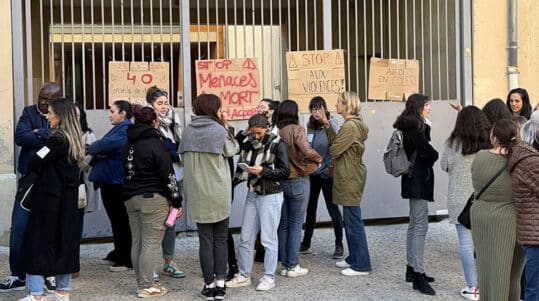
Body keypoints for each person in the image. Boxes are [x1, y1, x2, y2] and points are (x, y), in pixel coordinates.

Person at [19, 98, 85, 301]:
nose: (47, 117)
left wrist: (38, 137)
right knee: (64, 243)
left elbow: (35, 161)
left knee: (36, 244)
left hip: (48, 200)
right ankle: (62, 291)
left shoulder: (56, 140)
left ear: (60, 115)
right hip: (68, 201)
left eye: (50, 113)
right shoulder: (75, 140)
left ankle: (37, 294)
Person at [0, 82, 61, 294]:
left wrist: (36, 133)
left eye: (48, 100)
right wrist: (46, 134)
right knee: (19, 227)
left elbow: (63, 139)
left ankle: (49, 273)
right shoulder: (28, 112)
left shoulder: (64, 114)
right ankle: (18, 274)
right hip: (28, 178)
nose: (43, 102)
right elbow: (20, 137)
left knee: (50, 228)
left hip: (52, 180)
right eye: (41, 97)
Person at [179, 94, 239, 300]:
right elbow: (234, 149)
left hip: (197, 193)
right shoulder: (218, 130)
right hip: (219, 191)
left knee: (205, 240)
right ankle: (221, 284)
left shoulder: (187, 132)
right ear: (214, 109)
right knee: (221, 238)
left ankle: (208, 284)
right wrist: (225, 125)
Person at [122, 106, 183, 298]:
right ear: (155, 122)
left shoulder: (128, 144)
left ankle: (141, 282)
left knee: (137, 242)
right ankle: (146, 286)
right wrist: (176, 201)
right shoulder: (155, 144)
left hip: (131, 198)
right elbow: (168, 175)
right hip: (153, 198)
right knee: (150, 243)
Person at [226, 113, 290, 291]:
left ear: (267, 128)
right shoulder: (248, 142)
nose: (256, 136)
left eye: (259, 133)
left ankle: (269, 276)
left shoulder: (278, 143)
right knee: (246, 237)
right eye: (253, 133)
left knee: (269, 238)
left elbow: (285, 172)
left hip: (271, 193)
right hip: (253, 192)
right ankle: (244, 274)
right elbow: (234, 148)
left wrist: (263, 171)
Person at [470, 118, 525, 300]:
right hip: (509, 217)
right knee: (511, 274)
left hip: (481, 216)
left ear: (494, 137)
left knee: (486, 270)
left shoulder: (480, 157)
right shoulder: (519, 160)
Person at [318, 91, 371, 276]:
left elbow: (334, 149)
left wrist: (333, 143)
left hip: (350, 176)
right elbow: (338, 143)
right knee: (350, 219)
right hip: (350, 174)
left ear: (346, 105)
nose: (336, 105)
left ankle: (362, 265)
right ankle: (354, 257)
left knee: (353, 220)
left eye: (338, 102)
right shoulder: (352, 125)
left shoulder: (350, 127)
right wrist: (327, 125)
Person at [440, 106, 491, 300]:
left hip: (460, 202)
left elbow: (444, 165)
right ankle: (488, 284)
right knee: (485, 245)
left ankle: (472, 287)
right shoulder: (488, 143)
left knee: (466, 243)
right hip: (483, 199)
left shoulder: (453, 144)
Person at [393, 93, 438, 295]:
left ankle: (411, 268)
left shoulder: (410, 125)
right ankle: (418, 275)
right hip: (417, 181)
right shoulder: (415, 127)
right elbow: (428, 152)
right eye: (427, 105)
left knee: (414, 224)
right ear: (419, 107)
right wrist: (434, 154)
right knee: (420, 225)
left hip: (413, 180)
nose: (429, 108)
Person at [275, 100, 322, 278]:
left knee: (284, 224)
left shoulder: (277, 131)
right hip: (298, 179)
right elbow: (307, 150)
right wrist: (318, 159)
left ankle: (284, 264)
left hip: (281, 180)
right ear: (294, 113)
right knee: (295, 224)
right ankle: (292, 265)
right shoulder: (297, 130)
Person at [87, 100, 133, 271]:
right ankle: (119, 251)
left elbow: (106, 145)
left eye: (113, 111)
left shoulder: (125, 129)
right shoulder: (119, 128)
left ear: (123, 114)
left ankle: (126, 258)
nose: (109, 114)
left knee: (121, 220)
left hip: (116, 182)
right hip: (110, 181)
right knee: (116, 220)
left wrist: (94, 148)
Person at [146, 86, 185, 280]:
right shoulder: (150, 124)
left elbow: (180, 145)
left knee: (171, 221)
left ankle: (169, 261)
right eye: (159, 103)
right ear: (150, 104)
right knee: (155, 222)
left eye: (165, 103)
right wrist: (175, 154)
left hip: (177, 177)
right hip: (159, 179)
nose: (163, 107)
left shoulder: (173, 122)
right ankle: (150, 265)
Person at [300, 96, 344, 259]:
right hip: (312, 174)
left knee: (333, 209)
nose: (316, 112)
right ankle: (306, 242)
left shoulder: (331, 123)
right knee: (310, 208)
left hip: (327, 174)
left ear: (325, 109)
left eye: (319, 108)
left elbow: (338, 144)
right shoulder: (310, 126)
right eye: (313, 109)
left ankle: (339, 244)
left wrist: (326, 169)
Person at [507, 111, 539, 301]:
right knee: (534, 289)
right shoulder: (531, 161)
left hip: (532, 230)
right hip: (535, 233)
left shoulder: (526, 154)